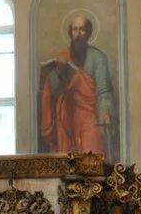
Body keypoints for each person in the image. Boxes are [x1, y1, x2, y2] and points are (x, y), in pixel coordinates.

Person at [39, 14, 117, 160]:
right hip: (67, 117)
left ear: (88, 33)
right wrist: (55, 74)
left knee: (91, 159)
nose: (78, 33)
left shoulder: (97, 58)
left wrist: (105, 112)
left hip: (89, 117)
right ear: (70, 32)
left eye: (82, 29)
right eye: (75, 29)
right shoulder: (63, 56)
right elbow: (54, 90)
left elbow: (104, 91)